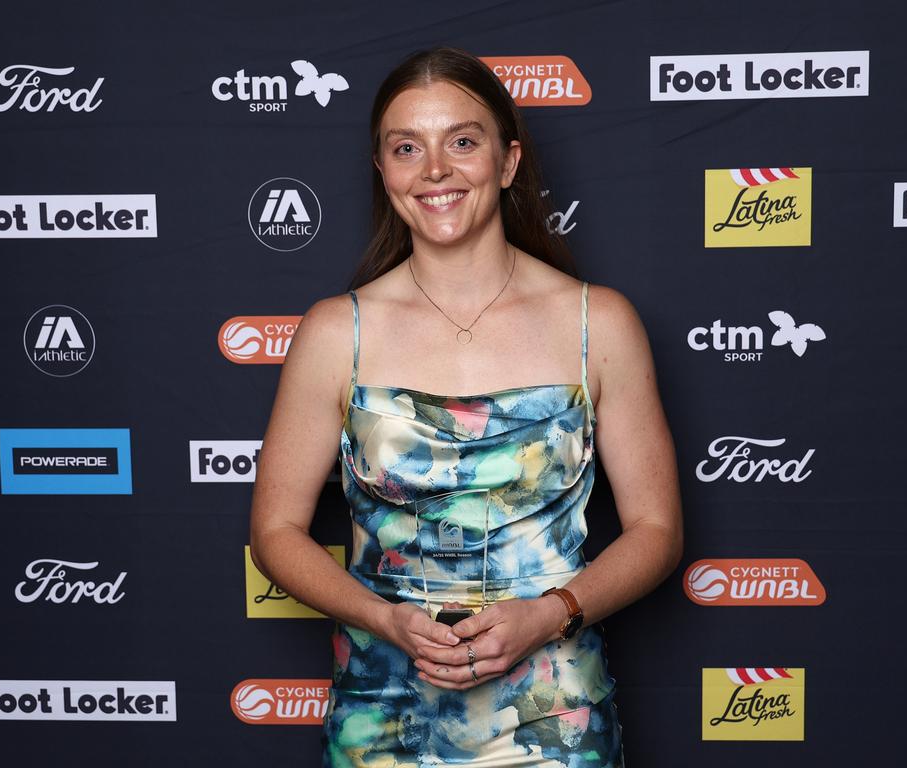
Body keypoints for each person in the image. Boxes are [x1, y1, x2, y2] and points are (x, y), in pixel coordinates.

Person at [250, 46, 682, 767]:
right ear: (383, 171)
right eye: (406, 148)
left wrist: (550, 615)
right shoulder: (335, 332)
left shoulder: (597, 323)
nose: (435, 171)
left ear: (508, 162)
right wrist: (383, 618)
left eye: (462, 141)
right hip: (382, 712)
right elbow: (275, 531)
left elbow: (657, 530)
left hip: (553, 715)